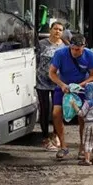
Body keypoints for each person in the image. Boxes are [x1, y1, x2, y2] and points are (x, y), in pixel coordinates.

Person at [48, 34, 93, 160]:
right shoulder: (60, 54)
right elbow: (52, 73)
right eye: (74, 49)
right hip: (63, 86)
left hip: (81, 89)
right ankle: (63, 146)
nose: (76, 52)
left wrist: (80, 85)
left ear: (84, 47)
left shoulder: (90, 55)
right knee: (56, 113)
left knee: (82, 117)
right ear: (70, 46)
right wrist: (62, 85)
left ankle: (82, 147)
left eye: (79, 50)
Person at [36, 22, 65, 150]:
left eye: (60, 30)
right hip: (42, 81)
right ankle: (45, 138)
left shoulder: (64, 47)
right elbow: (35, 60)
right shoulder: (42, 44)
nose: (57, 31)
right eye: (55, 29)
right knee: (44, 109)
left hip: (57, 82)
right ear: (50, 30)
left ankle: (55, 134)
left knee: (57, 110)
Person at [74, 82, 93, 166]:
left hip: (89, 124)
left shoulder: (88, 103)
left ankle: (86, 159)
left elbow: (82, 113)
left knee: (87, 141)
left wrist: (75, 106)